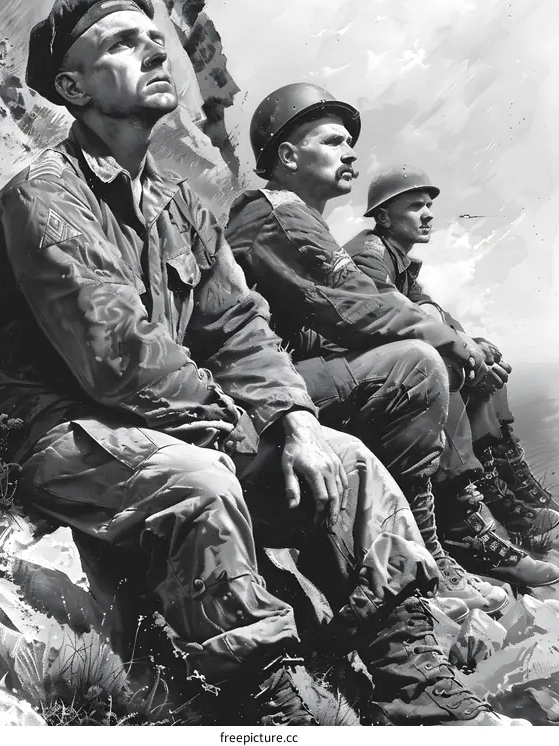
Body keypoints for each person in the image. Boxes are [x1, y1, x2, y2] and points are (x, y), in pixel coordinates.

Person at [0, 0, 522, 727]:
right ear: (73, 86)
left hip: (162, 417)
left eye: (157, 37)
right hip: (51, 430)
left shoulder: (183, 205)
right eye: (124, 43)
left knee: (344, 460)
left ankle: (412, 681)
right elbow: (115, 352)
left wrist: (291, 420)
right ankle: (265, 691)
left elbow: (237, 328)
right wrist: (237, 425)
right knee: (201, 482)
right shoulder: (44, 194)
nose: (155, 50)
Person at [226, 83, 559, 604]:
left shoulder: (298, 218)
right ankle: (440, 542)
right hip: (259, 397)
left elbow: (363, 310)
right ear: (288, 155)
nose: (350, 151)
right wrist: (451, 342)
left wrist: (457, 338)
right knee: (419, 364)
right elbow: (361, 307)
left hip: (280, 382)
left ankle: (456, 530)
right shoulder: (276, 213)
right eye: (334, 141)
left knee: (430, 353)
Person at [344, 165, 559, 564]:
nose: (428, 214)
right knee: (449, 368)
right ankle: (473, 513)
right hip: (358, 377)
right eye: (415, 206)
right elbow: (396, 324)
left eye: (429, 206)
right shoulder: (369, 257)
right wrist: (462, 349)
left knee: (480, 356)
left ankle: (508, 484)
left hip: (382, 366)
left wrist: (474, 346)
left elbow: (430, 313)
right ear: (385, 216)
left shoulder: (397, 259)